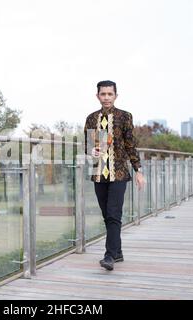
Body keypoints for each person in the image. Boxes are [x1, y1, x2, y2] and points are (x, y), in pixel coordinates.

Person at [84, 80, 146, 271]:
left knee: (113, 214)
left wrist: (138, 170)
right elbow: (87, 145)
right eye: (103, 94)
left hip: (118, 173)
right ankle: (117, 252)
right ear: (98, 96)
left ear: (116, 96)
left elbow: (130, 144)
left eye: (110, 94)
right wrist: (90, 151)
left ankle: (109, 256)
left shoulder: (124, 117)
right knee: (107, 215)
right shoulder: (91, 118)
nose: (106, 97)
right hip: (99, 175)